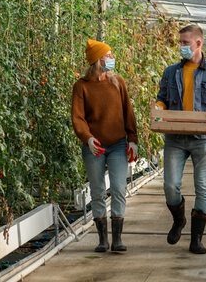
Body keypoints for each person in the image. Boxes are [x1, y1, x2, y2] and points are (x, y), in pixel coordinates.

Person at [155, 25, 206, 254]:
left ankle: (196, 239)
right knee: (170, 185)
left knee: (203, 187)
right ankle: (179, 221)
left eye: (184, 42)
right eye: (179, 42)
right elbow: (162, 99)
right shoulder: (171, 72)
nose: (181, 46)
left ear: (198, 43)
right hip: (175, 137)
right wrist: (159, 107)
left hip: (203, 138)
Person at [71, 39, 138, 253]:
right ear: (98, 60)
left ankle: (117, 239)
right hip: (94, 147)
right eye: (108, 55)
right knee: (98, 191)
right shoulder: (81, 86)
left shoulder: (117, 82)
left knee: (118, 188)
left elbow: (128, 112)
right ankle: (102, 239)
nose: (111, 58)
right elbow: (78, 118)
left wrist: (133, 139)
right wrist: (87, 138)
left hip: (118, 144)